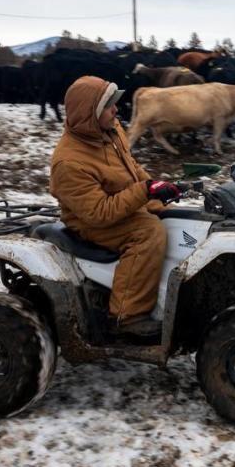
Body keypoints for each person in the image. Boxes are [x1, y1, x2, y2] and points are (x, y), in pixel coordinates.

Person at [49, 75, 182, 337]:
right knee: (148, 232)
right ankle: (127, 315)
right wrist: (144, 192)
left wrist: (154, 189)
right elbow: (99, 213)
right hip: (90, 221)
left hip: (121, 204)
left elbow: (131, 167)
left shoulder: (109, 131)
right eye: (109, 105)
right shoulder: (69, 163)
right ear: (90, 113)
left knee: (178, 218)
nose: (116, 109)